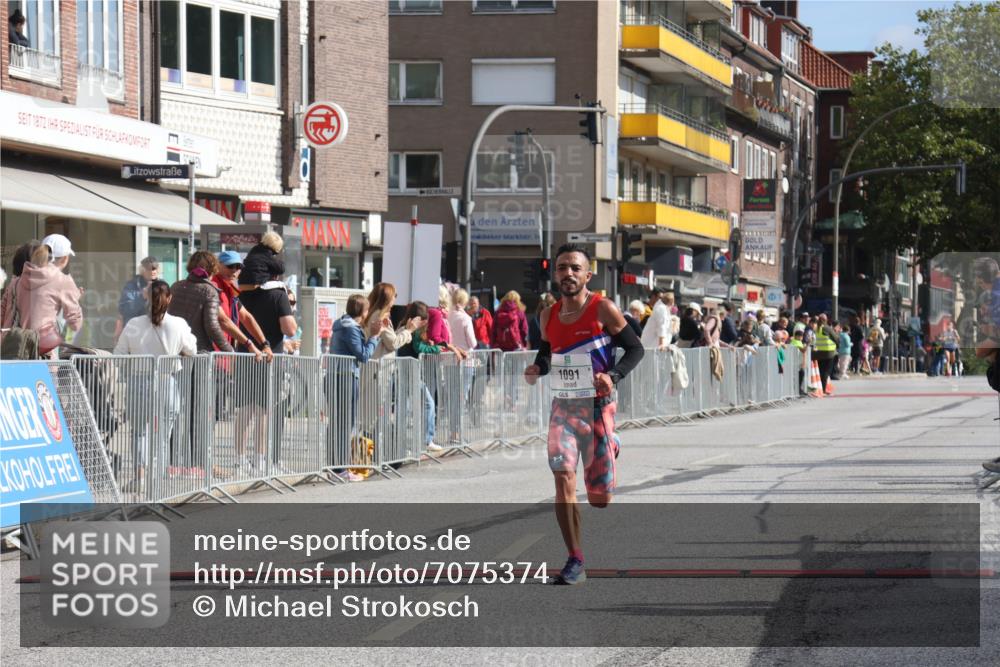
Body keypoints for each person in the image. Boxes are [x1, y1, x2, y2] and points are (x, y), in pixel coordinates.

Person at [524, 244, 644, 586]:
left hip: (597, 408)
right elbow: (547, 353)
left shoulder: (602, 308)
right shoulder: (547, 316)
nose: (568, 274)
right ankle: (575, 559)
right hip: (563, 407)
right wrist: (538, 367)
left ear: (587, 274)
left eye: (575, 268)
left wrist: (613, 376)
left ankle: (612, 442)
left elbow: (636, 349)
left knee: (600, 500)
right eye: (562, 268)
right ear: (555, 274)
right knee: (563, 477)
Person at [113, 280, 197, 491]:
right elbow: (192, 350)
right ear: (169, 298)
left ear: (146, 297)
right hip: (166, 381)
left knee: (139, 432)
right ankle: (156, 480)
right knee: (163, 434)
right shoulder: (179, 324)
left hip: (138, 381)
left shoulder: (133, 324)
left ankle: (139, 477)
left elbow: (119, 354)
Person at [13, 235, 83, 358]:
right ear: (65, 258)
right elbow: (75, 323)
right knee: (47, 377)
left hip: (19, 348)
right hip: (45, 350)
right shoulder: (63, 281)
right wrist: (74, 298)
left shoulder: (21, 278)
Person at [395, 301, 443, 452]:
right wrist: (435, 348)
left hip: (403, 370)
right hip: (411, 371)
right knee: (428, 403)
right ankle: (427, 440)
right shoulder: (413, 329)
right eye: (424, 319)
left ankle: (399, 442)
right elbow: (418, 347)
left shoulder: (403, 326)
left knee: (404, 407)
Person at [168, 251, 232, 353]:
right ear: (213, 269)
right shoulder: (209, 291)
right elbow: (212, 326)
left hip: (174, 346)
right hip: (199, 350)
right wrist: (229, 350)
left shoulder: (175, 286)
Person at [212, 251, 270, 361]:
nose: (234, 270)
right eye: (230, 266)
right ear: (218, 266)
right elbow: (223, 320)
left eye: (238, 267)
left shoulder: (230, 289)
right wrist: (249, 344)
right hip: (211, 355)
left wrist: (264, 344)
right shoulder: (213, 286)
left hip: (224, 356)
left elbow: (246, 317)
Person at [116, 256, 160, 337]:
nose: (152, 271)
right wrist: (142, 297)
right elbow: (125, 310)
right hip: (135, 332)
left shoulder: (162, 286)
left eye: (155, 268)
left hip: (156, 332)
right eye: (149, 269)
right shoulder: (131, 286)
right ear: (142, 270)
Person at [812, 313, 838, 394]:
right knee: (826, 372)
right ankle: (823, 389)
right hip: (828, 353)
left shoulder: (816, 328)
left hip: (818, 353)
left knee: (820, 371)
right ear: (825, 320)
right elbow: (836, 338)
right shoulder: (827, 328)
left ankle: (820, 388)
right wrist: (837, 345)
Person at [448, 289, 477, 354]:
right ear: (465, 302)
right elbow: (472, 343)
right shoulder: (466, 318)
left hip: (449, 357)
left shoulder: (446, 316)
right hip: (465, 357)